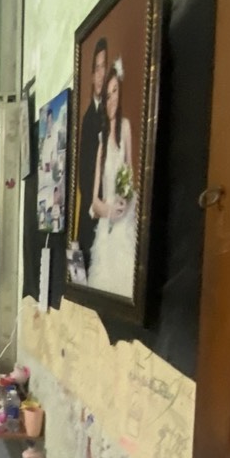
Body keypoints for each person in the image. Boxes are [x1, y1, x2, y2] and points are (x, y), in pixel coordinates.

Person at [88, 60, 136, 297]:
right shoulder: (101, 142)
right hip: (108, 221)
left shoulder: (125, 127)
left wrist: (124, 201)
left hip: (125, 219)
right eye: (107, 95)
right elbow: (94, 202)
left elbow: (130, 173)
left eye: (115, 92)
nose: (112, 99)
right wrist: (108, 210)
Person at [76, 37, 109, 272]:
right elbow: (84, 174)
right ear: (91, 75)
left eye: (103, 68)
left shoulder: (109, 114)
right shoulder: (89, 118)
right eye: (96, 69)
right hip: (91, 210)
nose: (100, 75)